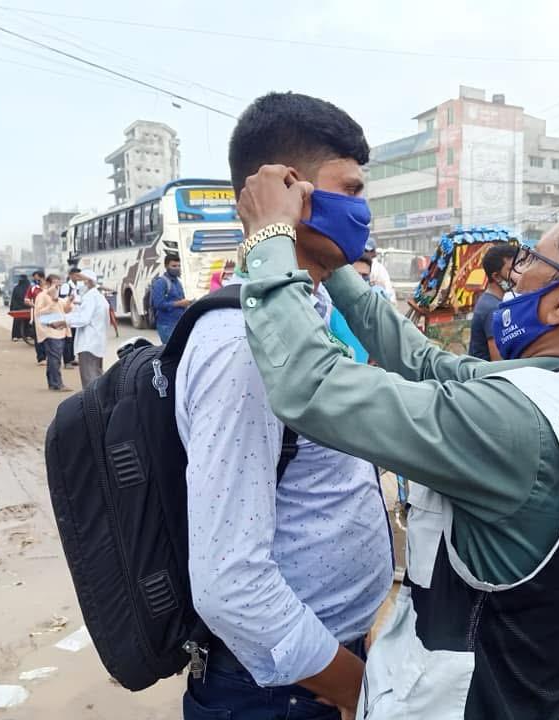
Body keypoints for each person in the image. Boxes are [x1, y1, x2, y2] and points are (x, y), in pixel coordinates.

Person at [236, 159, 559, 720]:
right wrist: (333, 264)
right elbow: (423, 360)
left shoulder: (513, 424)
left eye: (530, 262)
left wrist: (268, 239)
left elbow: (311, 384)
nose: (515, 275)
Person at [177, 92, 394, 720]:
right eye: (349, 190)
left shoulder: (303, 315)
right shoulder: (248, 347)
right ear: (290, 190)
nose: (363, 209)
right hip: (281, 689)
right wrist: (351, 685)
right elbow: (230, 584)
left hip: (319, 661)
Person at [468, 242, 517, 360]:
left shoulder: (492, 301)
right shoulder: (493, 309)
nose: (517, 275)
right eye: (511, 270)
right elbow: (498, 361)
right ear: (496, 276)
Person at [64, 269, 109, 388]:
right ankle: (99, 404)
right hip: (96, 343)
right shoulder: (98, 297)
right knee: (97, 376)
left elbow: (83, 319)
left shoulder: (90, 297)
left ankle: (92, 405)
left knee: (89, 380)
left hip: (88, 344)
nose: (78, 283)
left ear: (88, 282)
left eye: (80, 280)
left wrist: (64, 321)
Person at [34, 274, 71, 392]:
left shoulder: (57, 297)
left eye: (59, 284)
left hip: (60, 331)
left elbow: (64, 309)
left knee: (53, 359)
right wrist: (52, 303)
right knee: (55, 359)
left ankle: (53, 383)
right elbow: (39, 313)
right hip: (50, 331)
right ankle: (57, 384)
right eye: (55, 283)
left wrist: (69, 302)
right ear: (49, 283)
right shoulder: (43, 296)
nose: (57, 286)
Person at [150, 255, 190, 343]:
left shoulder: (178, 282)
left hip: (179, 323)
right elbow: (158, 304)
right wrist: (178, 303)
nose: (177, 268)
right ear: (166, 266)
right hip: (166, 325)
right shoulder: (161, 282)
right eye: (174, 266)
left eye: (179, 266)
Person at [59, 268, 80, 369]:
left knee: (73, 339)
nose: (78, 277)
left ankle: (72, 358)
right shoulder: (66, 286)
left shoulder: (78, 286)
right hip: (68, 315)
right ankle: (67, 361)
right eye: (76, 275)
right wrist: (75, 301)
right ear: (71, 275)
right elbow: (63, 300)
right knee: (67, 339)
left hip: (76, 316)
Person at [25, 270, 46, 364]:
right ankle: (41, 358)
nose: (35, 280)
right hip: (37, 316)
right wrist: (33, 305)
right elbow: (26, 300)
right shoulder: (33, 288)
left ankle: (49, 355)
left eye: (37, 278)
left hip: (49, 315)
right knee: (38, 337)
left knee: (49, 336)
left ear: (42, 277)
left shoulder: (49, 288)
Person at [10, 274, 31, 342]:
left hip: (18, 308)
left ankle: (15, 336)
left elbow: (13, 299)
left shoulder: (16, 288)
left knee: (17, 322)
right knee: (28, 322)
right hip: (28, 308)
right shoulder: (30, 288)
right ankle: (28, 335)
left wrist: (12, 308)